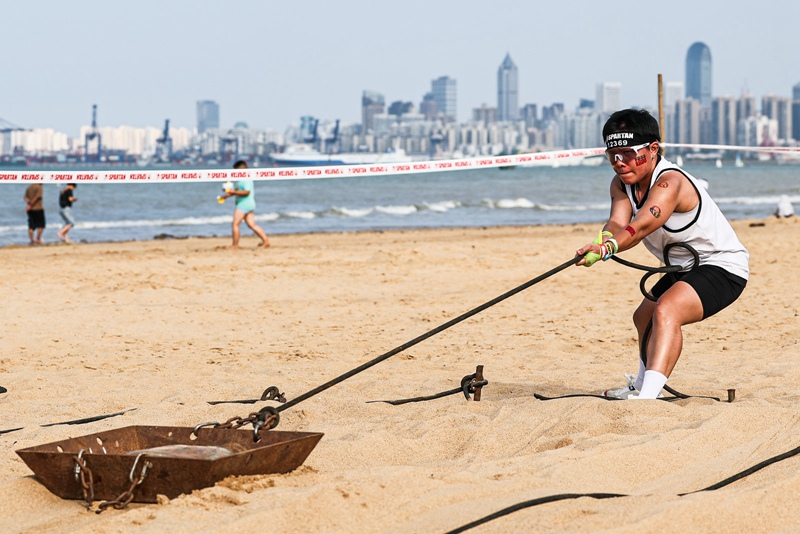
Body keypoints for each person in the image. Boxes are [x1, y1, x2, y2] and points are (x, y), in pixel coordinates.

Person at [576, 109, 749, 400]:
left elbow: (642, 225)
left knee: (666, 310)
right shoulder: (621, 184)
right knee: (643, 316)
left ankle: (648, 399)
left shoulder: (670, 183)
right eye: (612, 154)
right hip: (684, 267)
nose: (619, 162)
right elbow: (618, 222)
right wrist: (603, 240)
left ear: (653, 149)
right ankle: (642, 385)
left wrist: (607, 249)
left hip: (723, 266)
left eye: (627, 153)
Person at [219, 160, 270, 249]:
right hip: (249, 204)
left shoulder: (245, 179)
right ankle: (266, 241)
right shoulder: (243, 180)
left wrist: (234, 191)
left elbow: (246, 192)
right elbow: (237, 191)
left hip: (243, 204)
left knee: (235, 224)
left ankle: (235, 245)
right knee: (252, 225)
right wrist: (225, 196)